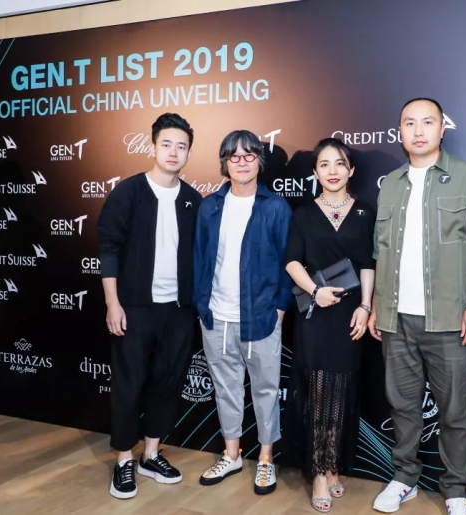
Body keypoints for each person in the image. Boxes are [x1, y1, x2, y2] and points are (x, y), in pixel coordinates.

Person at [368, 98, 466, 515]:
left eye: (427, 122)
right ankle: (404, 478)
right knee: (402, 406)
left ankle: (455, 489)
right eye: (409, 123)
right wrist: (375, 307)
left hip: (449, 319)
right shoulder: (391, 184)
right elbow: (380, 253)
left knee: (454, 411)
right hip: (395, 319)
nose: (418, 130)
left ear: (442, 128)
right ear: (399, 131)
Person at [97, 112, 202, 500]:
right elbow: (109, 249)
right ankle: (124, 458)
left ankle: (151, 454)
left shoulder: (193, 200)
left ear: (188, 153)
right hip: (134, 307)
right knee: (128, 384)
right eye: (167, 144)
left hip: (179, 310)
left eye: (181, 146)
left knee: (168, 382)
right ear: (153, 146)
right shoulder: (128, 192)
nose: (174, 152)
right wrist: (113, 303)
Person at [193, 129, 294, 495]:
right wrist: (201, 306)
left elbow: (289, 261)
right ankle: (232, 454)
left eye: (248, 155)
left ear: (258, 161)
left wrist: (280, 308)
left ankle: (266, 459)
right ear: (225, 163)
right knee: (226, 389)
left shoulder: (276, 207)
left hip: (261, 317)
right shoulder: (210, 206)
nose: (241, 162)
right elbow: (199, 258)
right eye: (233, 156)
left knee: (266, 389)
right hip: (216, 317)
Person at [284, 138, 375, 513]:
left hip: (350, 314)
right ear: (315, 172)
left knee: (341, 391)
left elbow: (368, 263)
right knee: (319, 391)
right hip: (316, 312)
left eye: (339, 163)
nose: (332, 171)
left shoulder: (365, 212)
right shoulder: (304, 213)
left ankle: (333, 463)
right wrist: (315, 291)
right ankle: (319, 473)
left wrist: (366, 307)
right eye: (324, 164)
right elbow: (292, 261)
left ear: (351, 170)